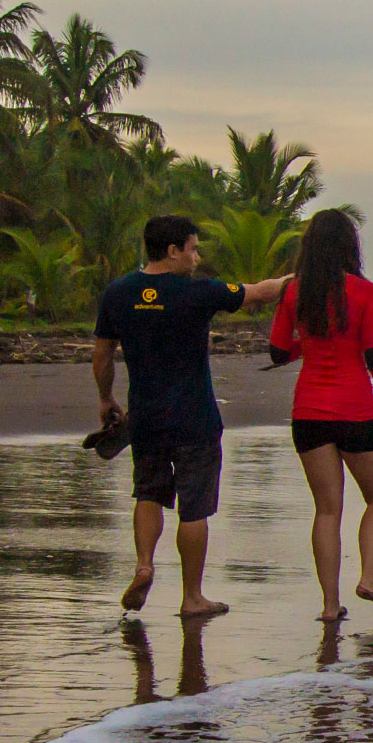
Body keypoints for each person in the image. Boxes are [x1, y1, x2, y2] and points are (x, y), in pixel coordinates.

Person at [93, 214, 286, 618]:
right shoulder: (197, 292)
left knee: (148, 493)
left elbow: (102, 353)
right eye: (193, 249)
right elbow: (259, 293)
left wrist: (106, 398)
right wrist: (300, 279)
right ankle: (192, 597)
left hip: (145, 416)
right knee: (194, 508)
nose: (197, 257)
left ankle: (145, 564)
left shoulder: (118, 292)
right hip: (194, 417)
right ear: (173, 250)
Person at [268, 206, 373, 622]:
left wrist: (307, 345)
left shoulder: (294, 291)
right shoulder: (364, 292)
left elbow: (277, 352)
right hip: (355, 410)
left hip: (309, 412)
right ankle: (370, 579)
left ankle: (330, 607)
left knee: (327, 510)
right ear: (350, 246)